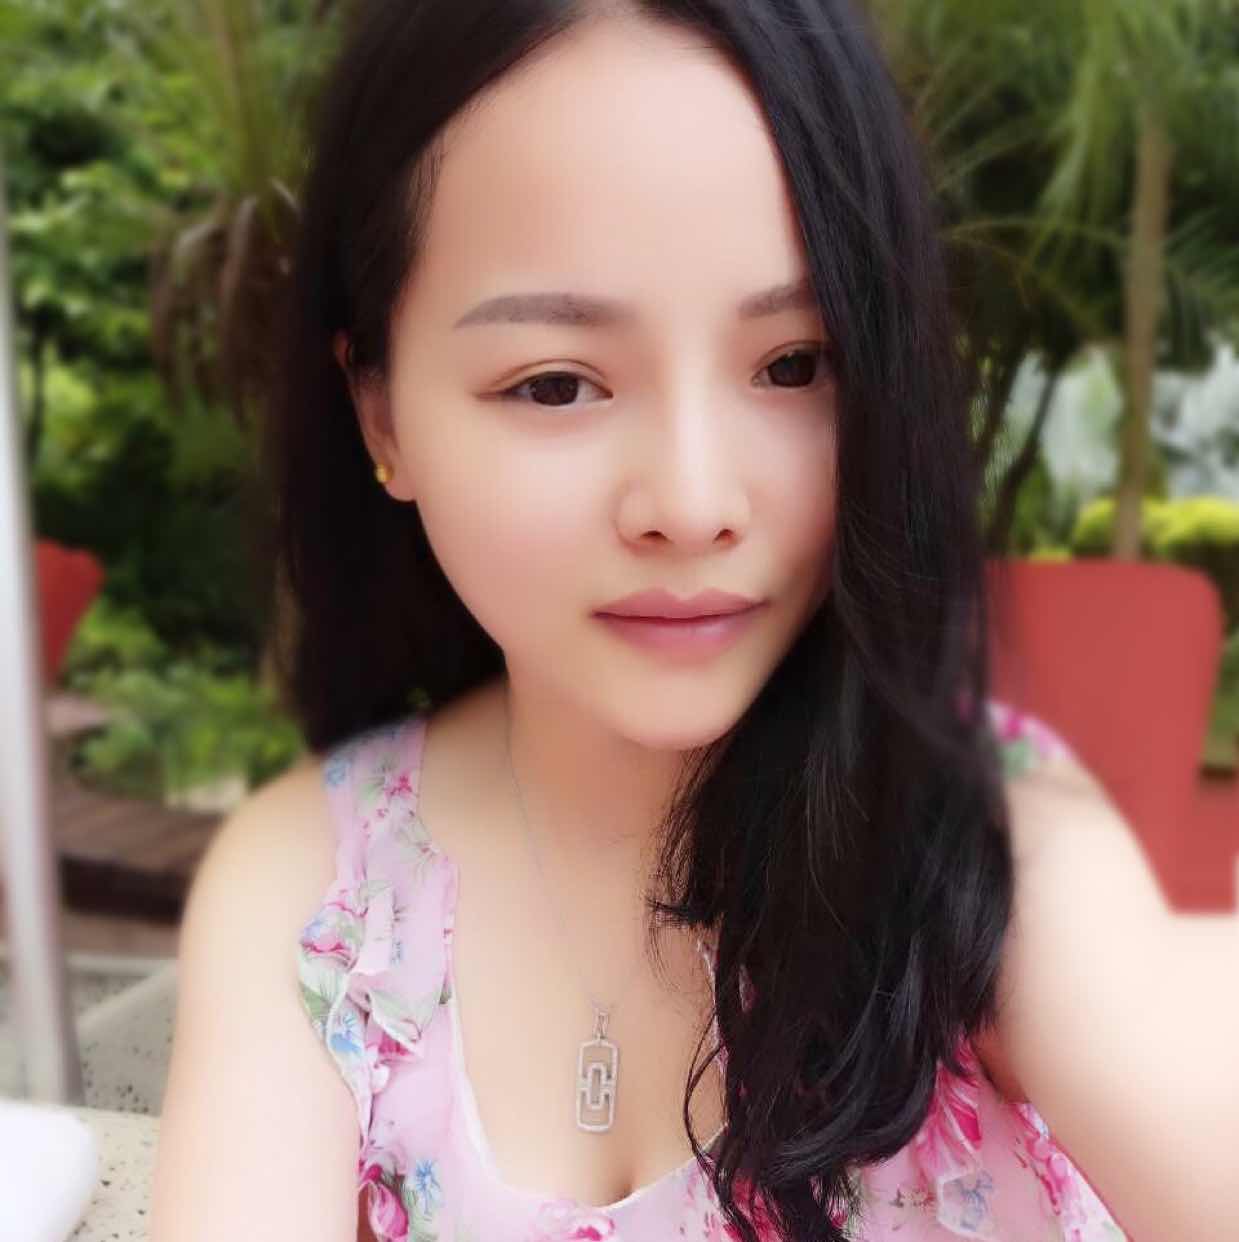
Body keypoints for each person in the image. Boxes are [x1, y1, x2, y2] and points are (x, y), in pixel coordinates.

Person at [148, 2, 1234, 1240]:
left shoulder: (996, 859)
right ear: (382, 414)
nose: (693, 502)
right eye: (556, 383)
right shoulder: (319, 892)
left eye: (793, 364)